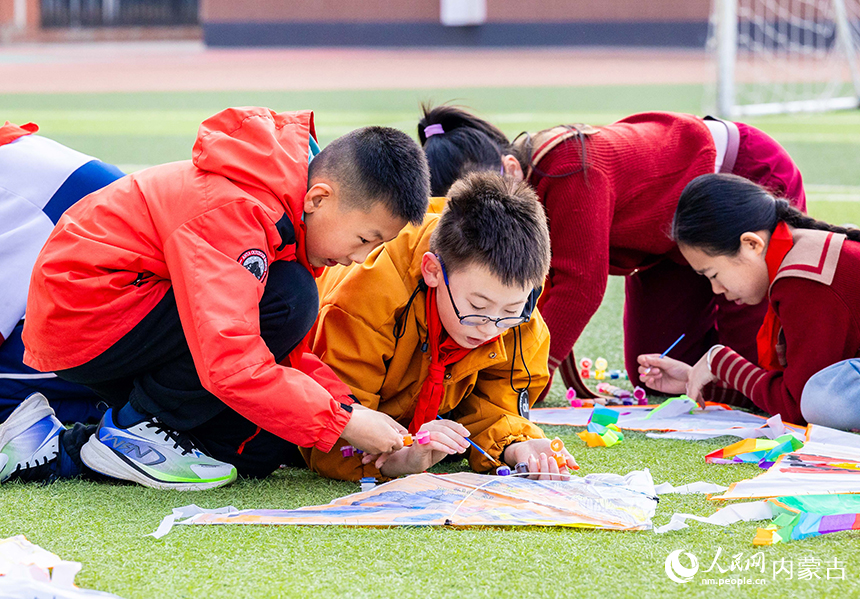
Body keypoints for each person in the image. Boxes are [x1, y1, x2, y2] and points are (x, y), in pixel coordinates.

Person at [0, 106, 430, 489]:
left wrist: (345, 411)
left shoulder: (282, 215)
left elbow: (285, 356)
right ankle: (132, 428)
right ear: (319, 198)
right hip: (89, 319)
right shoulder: (238, 209)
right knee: (292, 296)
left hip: (126, 319)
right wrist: (345, 422)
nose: (359, 259)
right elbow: (229, 356)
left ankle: (53, 447)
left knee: (257, 449)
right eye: (363, 239)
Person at [417, 106, 806, 400]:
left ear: (512, 167)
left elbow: (579, 286)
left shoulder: (567, 167)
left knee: (756, 370)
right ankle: (712, 369)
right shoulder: (528, 186)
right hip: (665, 240)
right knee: (653, 372)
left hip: (735, 182)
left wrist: (517, 381)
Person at [305, 172, 576, 482]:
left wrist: (518, 445)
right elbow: (334, 434)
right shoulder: (367, 298)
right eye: (477, 307)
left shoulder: (520, 315)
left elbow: (499, 404)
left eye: (511, 309)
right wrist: (401, 461)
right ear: (432, 270)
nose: (491, 327)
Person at [638, 174, 860, 428]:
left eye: (714, 274)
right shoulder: (795, 253)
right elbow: (788, 393)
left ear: (752, 244)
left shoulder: (804, 280)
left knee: (822, 400)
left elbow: (796, 408)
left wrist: (720, 361)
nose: (716, 289)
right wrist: (698, 380)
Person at [0, 121, 124, 424]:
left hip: (133, 317)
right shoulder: (18, 156)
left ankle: (125, 417)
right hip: (139, 309)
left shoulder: (13, 182)